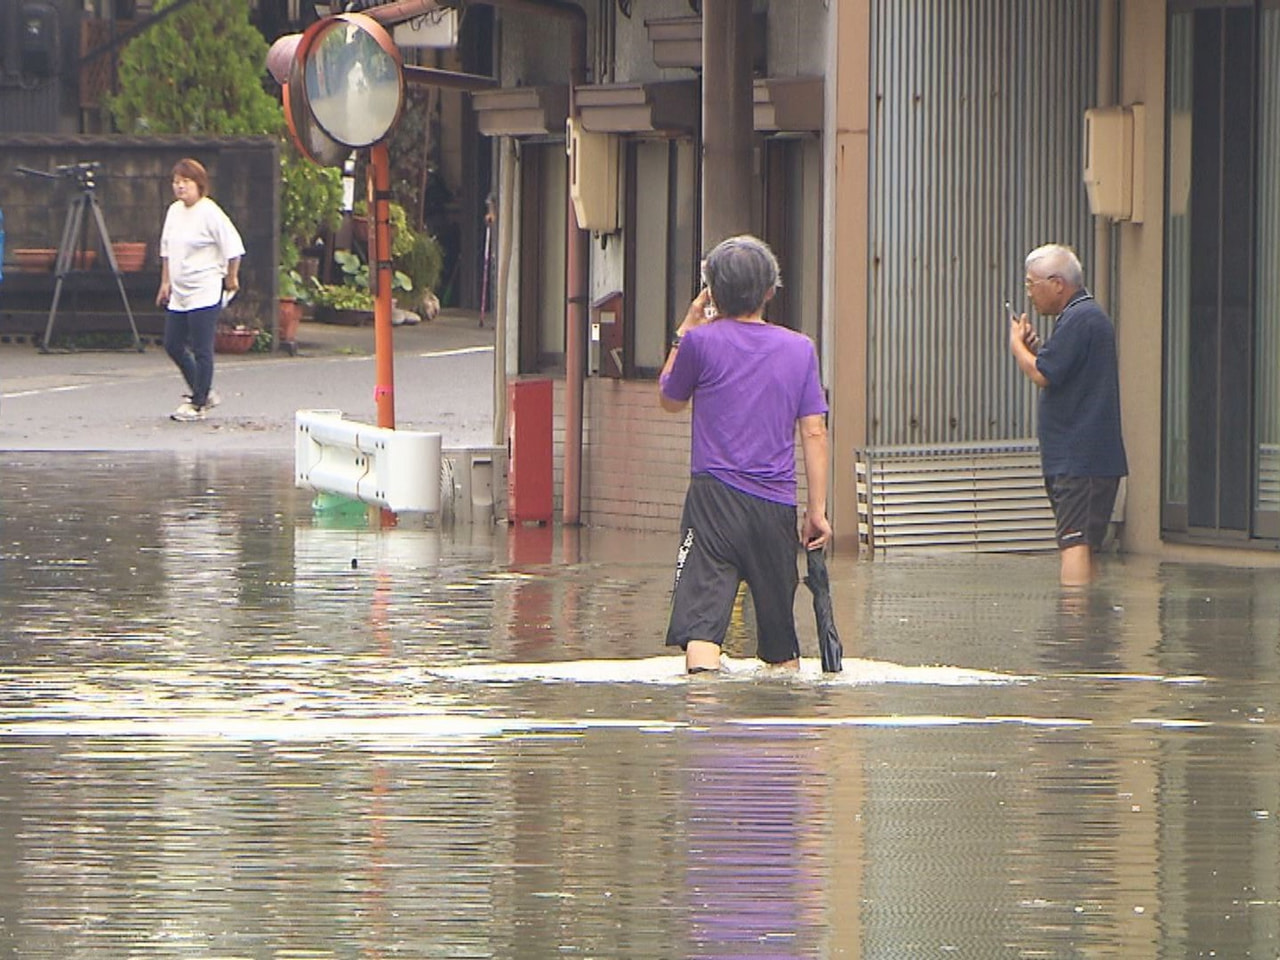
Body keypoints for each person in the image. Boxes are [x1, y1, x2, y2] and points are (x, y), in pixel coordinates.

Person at [659, 234, 832, 674]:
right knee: (780, 645)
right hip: (775, 505)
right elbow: (814, 433)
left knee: (702, 630)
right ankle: (782, 732)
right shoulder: (800, 349)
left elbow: (669, 398)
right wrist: (817, 511)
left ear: (712, 292)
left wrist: (685, 329)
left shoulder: (701, 344)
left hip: (713, 502)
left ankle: (702, 725)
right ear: (771, 290)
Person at [1008, 243, 1127, 587]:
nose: (1029, 293)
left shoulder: (1081, 318)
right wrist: (1036, 350)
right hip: (1086, 460)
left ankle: (1074, 630)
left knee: (1074, 543)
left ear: (1057, 283)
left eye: (1032, 284)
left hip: (1081, 460)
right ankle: (1087, 624)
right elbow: (1058, 367)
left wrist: (1017, 346)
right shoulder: (1083, 318)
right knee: (1085, 546)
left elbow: (1043, 374)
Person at [156, 158, 244, 422]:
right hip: (180, 291)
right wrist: (165, 282)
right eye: (176, 182)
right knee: (172, 343)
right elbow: (167, 250)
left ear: (199, 185)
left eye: (185, 182)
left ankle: (198, 403)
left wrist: (231, 277)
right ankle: (203, 389)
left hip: (204, 288)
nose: (180, 187)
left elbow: (234, 248)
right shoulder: (174, 212)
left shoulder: (210, 212)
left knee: (202, 347)